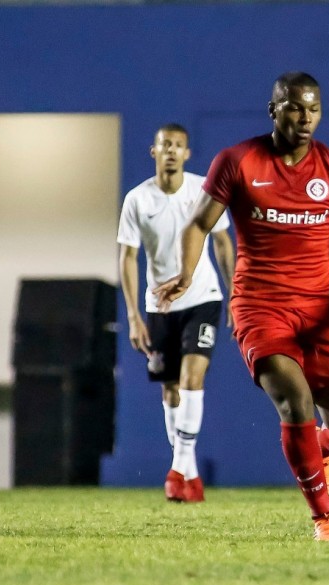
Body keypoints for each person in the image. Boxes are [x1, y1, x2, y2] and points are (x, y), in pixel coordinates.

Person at [154, 72, 329, 542]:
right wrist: (185, 273)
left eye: (313, 109)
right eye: (294, 108)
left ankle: (322, 448)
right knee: (295, 400)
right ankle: (326, 518)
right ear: (273, 110)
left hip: (321, 311)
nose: (305, 118)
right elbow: (199, 225)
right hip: (260, 308)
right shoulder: (238, 161)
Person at [118, 123, 236, 503]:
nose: (171, 150)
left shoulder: (204, 192)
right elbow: (128, 258)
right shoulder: (138, 199)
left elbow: (222, 243)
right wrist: (135, 316)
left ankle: (177, 469)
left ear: (187, 154)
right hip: (160, 306)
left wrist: (235, 293)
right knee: (170, 389)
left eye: (178, 146)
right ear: (153, 152)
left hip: (202, 298)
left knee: (192, 375)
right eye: (164, 144)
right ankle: (190, 472)